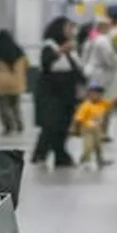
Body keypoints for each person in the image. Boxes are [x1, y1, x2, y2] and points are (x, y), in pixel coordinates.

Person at [32, 16, 84, 168]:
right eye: (68, 28)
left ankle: (60, 155)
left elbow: (76, 69)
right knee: (51, 124)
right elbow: (46, 62)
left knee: (63, 124)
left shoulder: (71, 49)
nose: (70, 31)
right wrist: (61, 51)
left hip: (66, 92)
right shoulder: (50, 46)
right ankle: (43, 154)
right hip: (51, 91)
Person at [81, 18, 117, 140]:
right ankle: (101, 132)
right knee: (104, 104)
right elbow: (109, 60)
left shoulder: (90, 40)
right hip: (102, 77)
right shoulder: (102, 41)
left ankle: (93, 130)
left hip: (92, 75)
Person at [0, 29, 28, 135]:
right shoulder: (18, 52)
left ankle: (9, 126)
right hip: (16, 83)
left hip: (1, 84)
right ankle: (19, 124)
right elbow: (26, 65)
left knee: (3, 106)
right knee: (15, 106)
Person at [72, 83, 115, 169]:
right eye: (93, 94)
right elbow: (78, 119)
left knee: (98, 145)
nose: (96, 96)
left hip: (97, 128)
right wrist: (75, 129)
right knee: (88, 145)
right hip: (87, 129)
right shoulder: (85, 106)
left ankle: (100, 159)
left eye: (99, 94)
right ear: (89, 95)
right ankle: (85, 159)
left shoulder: (103, 103)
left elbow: (111, 105)